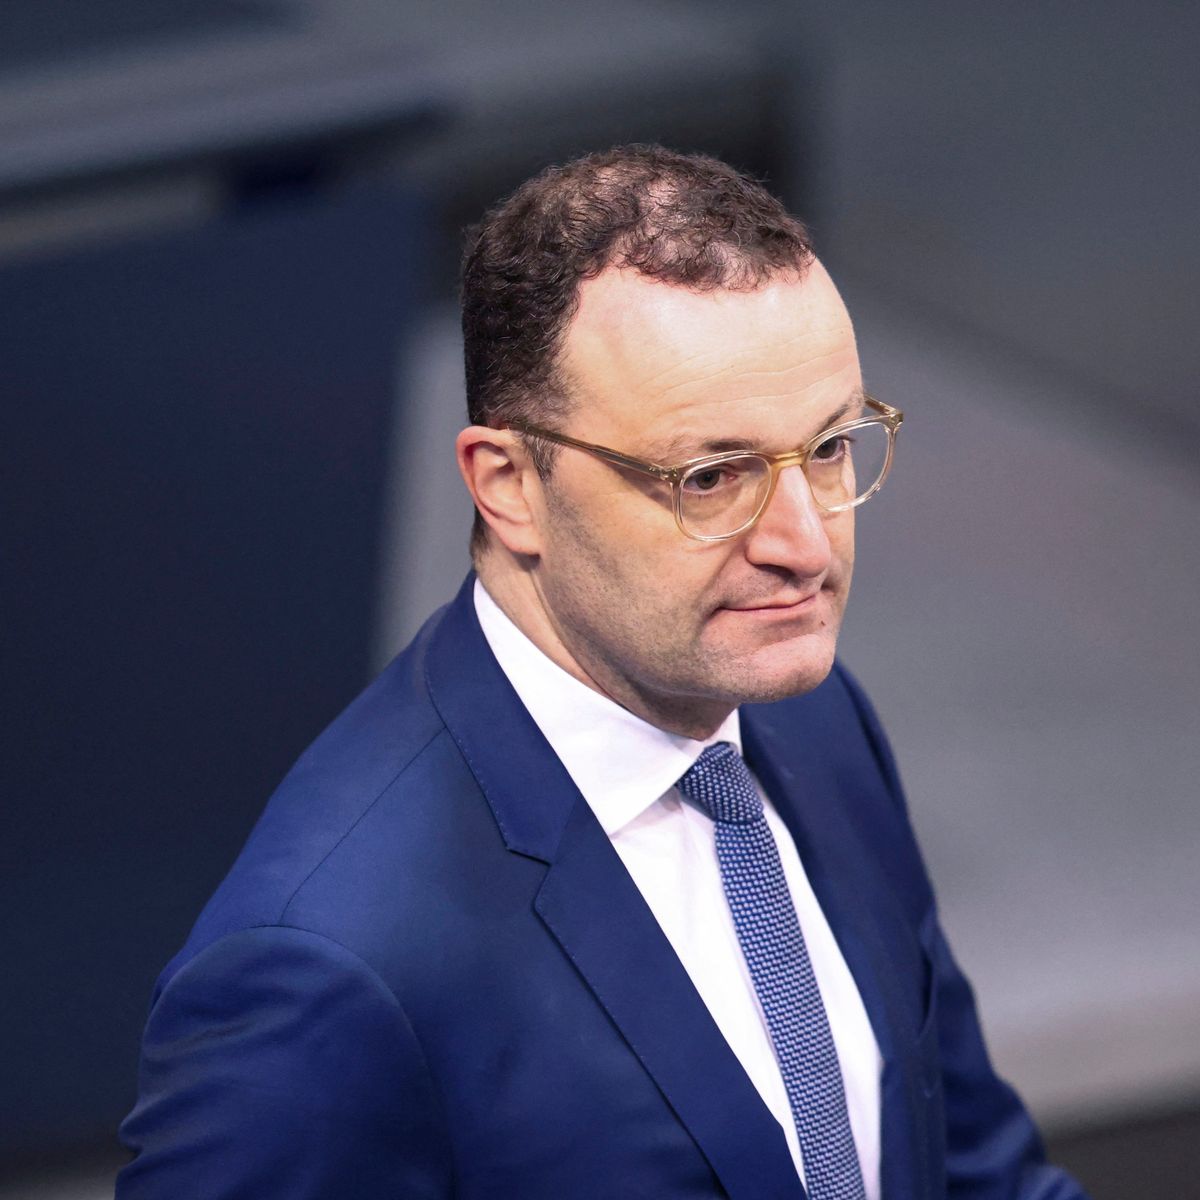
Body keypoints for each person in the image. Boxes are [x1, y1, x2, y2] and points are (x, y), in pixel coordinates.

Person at [116, 145, 1087, 1199]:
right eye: (711, 476)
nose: (806, 546)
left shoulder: (808, 721)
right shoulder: (326, 963)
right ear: (508, 485)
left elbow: (976, 1171)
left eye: (828, 448)